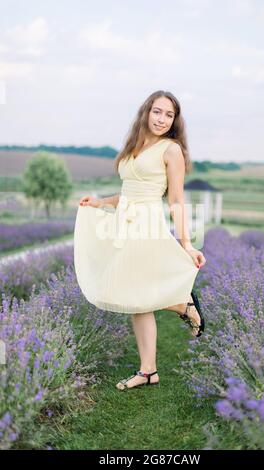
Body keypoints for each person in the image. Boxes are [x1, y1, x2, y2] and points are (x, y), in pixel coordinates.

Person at [74, 90, 206, 391]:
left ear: (175, 120)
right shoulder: (135, 144)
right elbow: (129, 192)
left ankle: (179, 312)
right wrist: (100, 203)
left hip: (146, 224)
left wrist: (186, 243)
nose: (162, 119)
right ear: (146, 112)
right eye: (157, 111)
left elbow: (175, 200)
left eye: (169, 115)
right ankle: (157, 357)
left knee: (136, 293)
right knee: (136, 296)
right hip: (125, 222)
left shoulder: (171, 150)